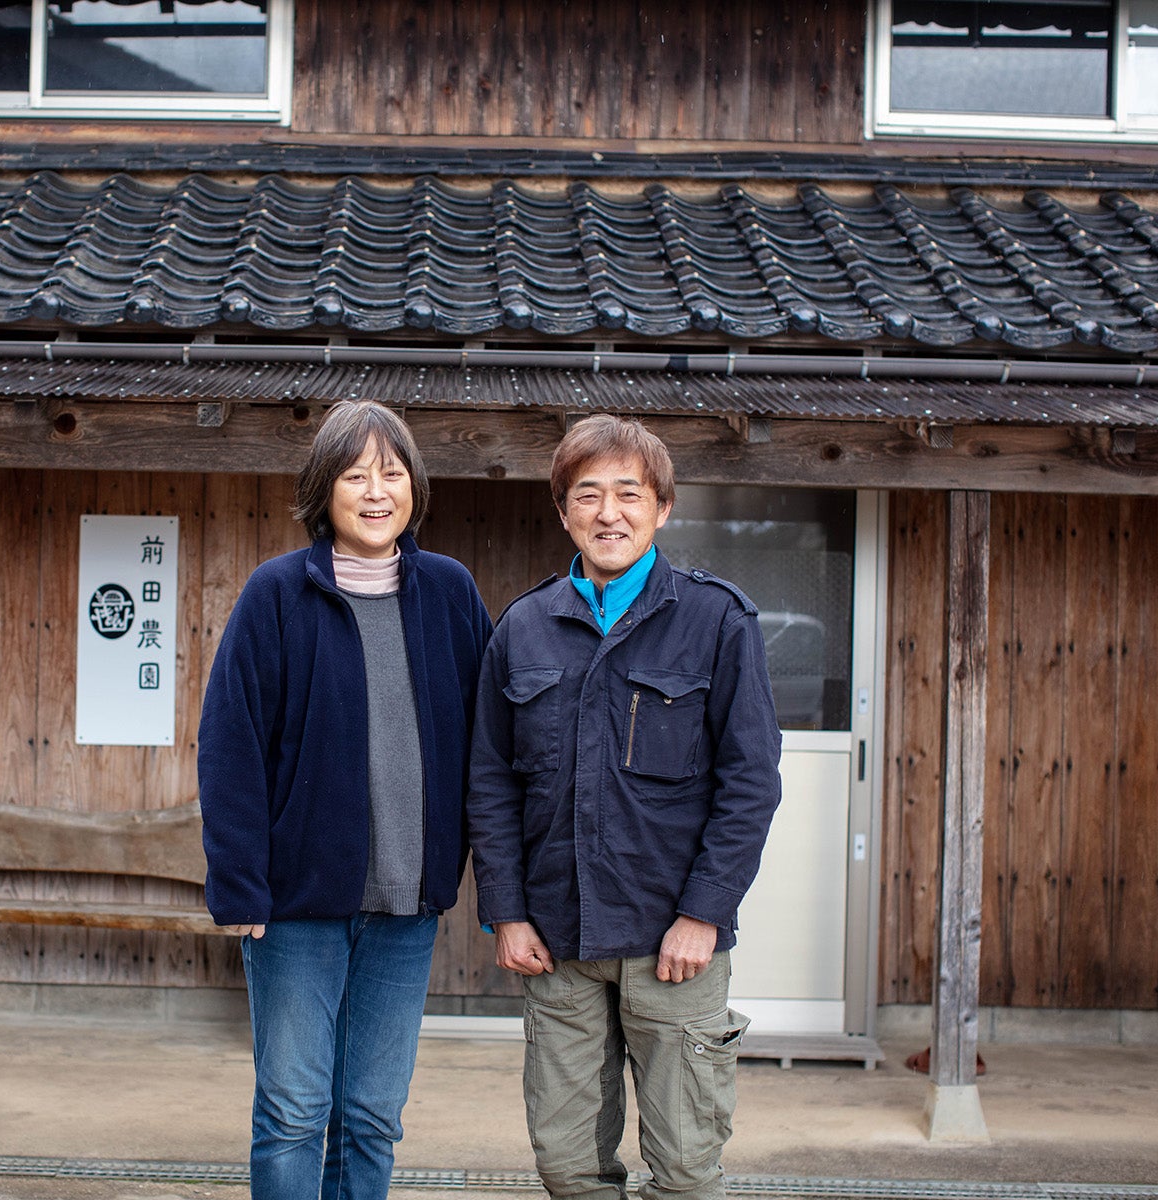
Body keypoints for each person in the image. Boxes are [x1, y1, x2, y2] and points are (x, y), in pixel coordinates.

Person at [467, 414, 782, 1200]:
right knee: (568, 1167)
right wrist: (506, 912)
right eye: (588, 495)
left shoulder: (717, 620)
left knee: (683, 1169)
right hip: (558, 940)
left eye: (629, 494)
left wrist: (704, 912)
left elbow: (751, 781)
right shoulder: (523, 627)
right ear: (563, 511)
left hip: (672, 943)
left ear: (662, 507)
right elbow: (491, 783)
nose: (610, 513)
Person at [199, 400, 493, 1200]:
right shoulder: (277, 595)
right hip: (296, 905)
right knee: (295, 1108)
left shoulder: (449, 593)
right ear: (322, 490)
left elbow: (491, 744)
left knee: (370, 1114)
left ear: (414, 488)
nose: (375, 491)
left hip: (406, 903)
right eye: (355, 474)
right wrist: (238, 884)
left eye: (391, 473)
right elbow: (229, 744)